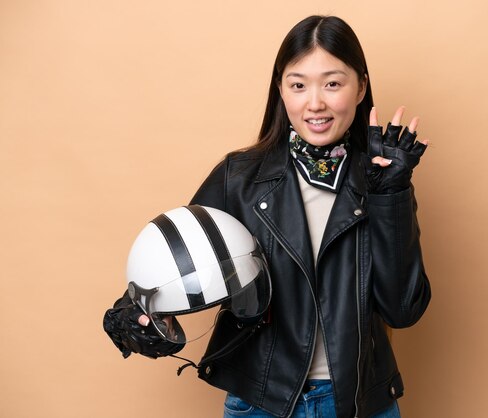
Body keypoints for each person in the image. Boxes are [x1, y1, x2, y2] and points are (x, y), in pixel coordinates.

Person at [105, 15, 430, 418]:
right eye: (298, 85)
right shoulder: (239, 178)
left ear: (361, 86)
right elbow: (182, 260)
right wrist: (134, 312)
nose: (315, 102)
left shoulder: (380, 179)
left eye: (333, 83)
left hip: (363, 402)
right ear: (280, 89)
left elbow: (403, 310)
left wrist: (392, 194)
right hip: (261, 403)